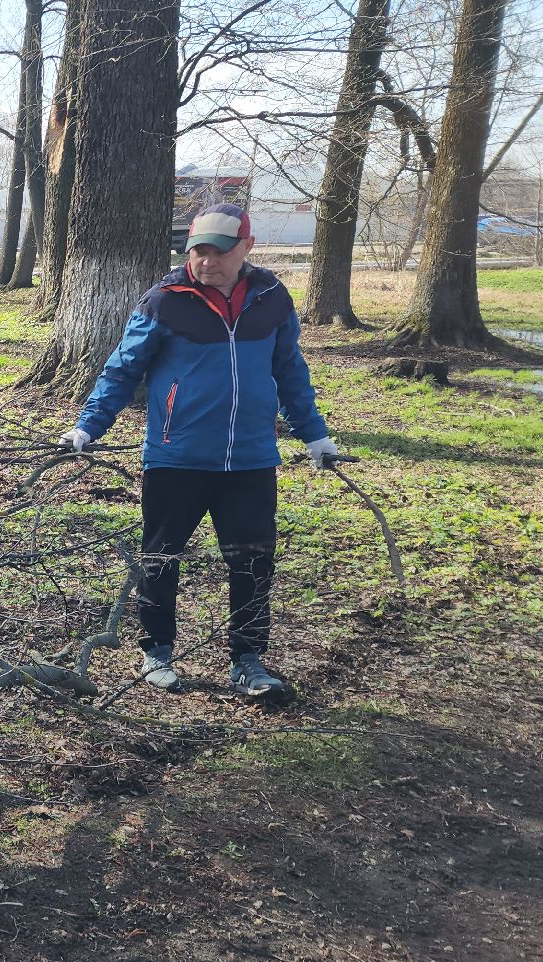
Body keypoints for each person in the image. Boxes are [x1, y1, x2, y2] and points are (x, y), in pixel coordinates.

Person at [63, 203, 340, 698]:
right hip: (177, 456)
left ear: (247, 248)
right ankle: (156, 654)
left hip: (251, 460)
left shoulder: (272, 299)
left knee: (253, 560)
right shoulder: (164, 300)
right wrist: (87, 428)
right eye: (198, 250)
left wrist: (314, 434)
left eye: (219, 250)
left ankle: (248, 661)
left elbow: (290, 372)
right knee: (161, 557)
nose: (206, 261)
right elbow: (121, 370)